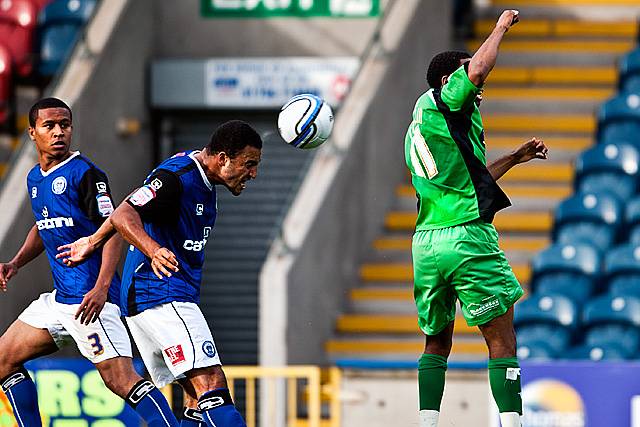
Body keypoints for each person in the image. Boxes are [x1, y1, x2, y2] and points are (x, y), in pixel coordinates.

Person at [57, 120, 263, 427]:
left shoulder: (195, 175)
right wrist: (154, 250)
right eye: (248, 164)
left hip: (151, 302)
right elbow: (125, 213)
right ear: (222, 158)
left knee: (196, 398)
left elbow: (130, 201)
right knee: (211, 383)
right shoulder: (178, 176)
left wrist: (94, 240)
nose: (253, 174)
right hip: (161, 296)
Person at [404, 10, 548, 427]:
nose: (476, 83)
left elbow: (469, 177)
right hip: (466, 237)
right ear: (449, 80)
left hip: (427, 243)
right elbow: (480, 69)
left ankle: (426, 422)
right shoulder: (447, 99)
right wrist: (500, 27)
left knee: (436, 341)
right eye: (464, 72)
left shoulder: (422, 124)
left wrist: (516, 158)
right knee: (501, 339)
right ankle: (512, 424)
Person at [0, 98, 179, 426]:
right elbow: (43, 224)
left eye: (65, 125)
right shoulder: (34, 178)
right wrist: (15, 262)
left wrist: (101, 289)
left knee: (121, 380)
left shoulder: (86, 174)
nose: (59, 132)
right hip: (58, 302)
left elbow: (113, 230)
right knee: (2, 360)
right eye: (49, 126)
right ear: (32, 133)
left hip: (91, 302)